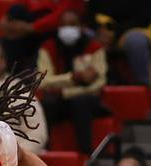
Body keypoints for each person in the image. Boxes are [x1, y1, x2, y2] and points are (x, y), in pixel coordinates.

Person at [38, 8, 110, 155]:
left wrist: (65, 90)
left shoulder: (94, 48)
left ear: (81, 27)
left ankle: (87, 156)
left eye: (72, 24)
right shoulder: (48, 48)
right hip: (60, 100)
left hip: (87, 100)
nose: (68, 28)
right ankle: (44, 152)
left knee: (81, 103)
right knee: (47, 104)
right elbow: (43, 81)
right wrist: (73, 78)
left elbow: (99, 82)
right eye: (64, 25)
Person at [86, 0, 151, 88]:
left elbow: (144, 18)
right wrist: (99, 30)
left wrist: (114, 33)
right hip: (100, 29)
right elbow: (89, 14)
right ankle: (80, 84)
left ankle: (144, 87)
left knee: (136, 41)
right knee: (84, 35)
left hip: (132, 29)